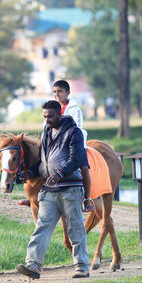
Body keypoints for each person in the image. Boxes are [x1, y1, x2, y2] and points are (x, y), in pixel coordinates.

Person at [16, 99, 91, 280]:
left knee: (75, 229)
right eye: (44, 116)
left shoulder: (74, 133)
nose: (47, 119)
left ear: (59, 114)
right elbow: (44, 162)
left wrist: (60, 173)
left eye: (50, 116)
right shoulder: (46, 133)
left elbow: (75, 159)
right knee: (42, 227)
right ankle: (33, 265)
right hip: (49, 190)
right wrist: (30, 173)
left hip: (70, 189)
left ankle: (82, 267)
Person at [51, 79, 94, 212]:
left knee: (84, 167)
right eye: (54, 92)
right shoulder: (51, 107)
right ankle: (35, 195)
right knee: (41, 163)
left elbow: (78, 128)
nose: (56, 94)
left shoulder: (75, 109)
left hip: (73, 144)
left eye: (60, 92)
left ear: (68, 92)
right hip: (54, 144)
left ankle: (87, 199)